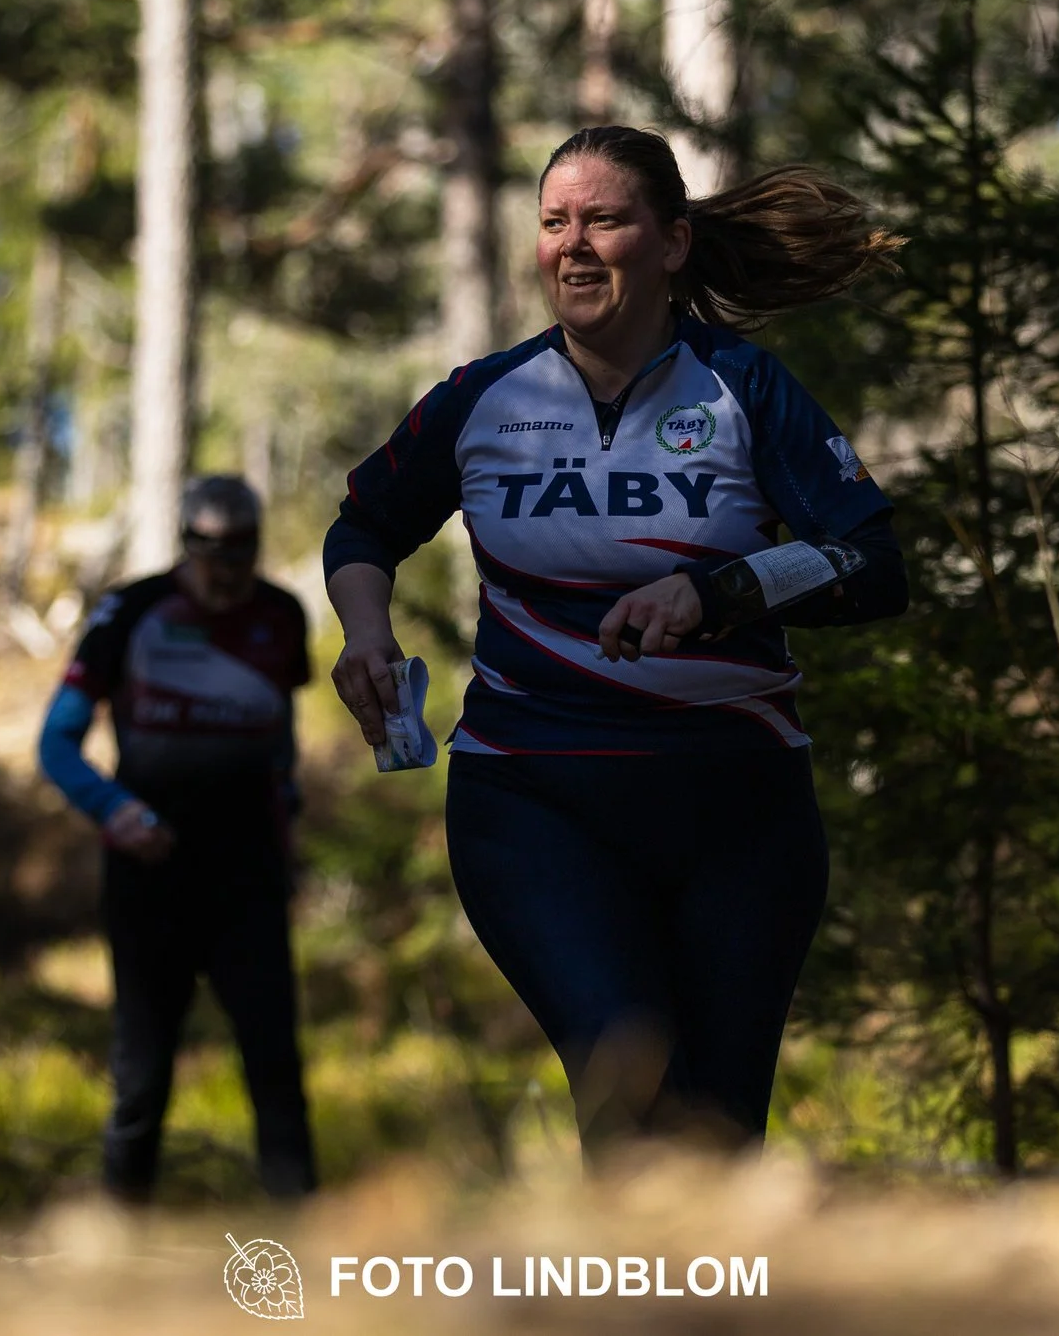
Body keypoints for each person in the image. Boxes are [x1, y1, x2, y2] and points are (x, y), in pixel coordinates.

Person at [322, 125, 910, 1159]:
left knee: (719, 1136)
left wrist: (720, 590)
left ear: (672, 243)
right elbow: (365, 521)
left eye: (604, 218)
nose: (574, 244)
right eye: (555, 222)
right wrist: (365, 632)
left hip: (738, 806)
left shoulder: (744, 388)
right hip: (535, 797)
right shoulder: (483, 397)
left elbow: (870, 560)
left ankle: (707, 1316)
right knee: (629, 1087)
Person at [37, 474, 318, 1200]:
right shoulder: (130, 612)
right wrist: (113, 810)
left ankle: (312, 1254)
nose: (226, 565)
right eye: (209, 547)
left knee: (275, 1064)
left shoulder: (282, 615)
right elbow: (57, 742)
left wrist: (289, 831)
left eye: (242, 548)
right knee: (142, 1074)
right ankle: (120, 1251)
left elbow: (281, 737)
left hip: (248, 872)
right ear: (183, 543)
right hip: (149, 872)